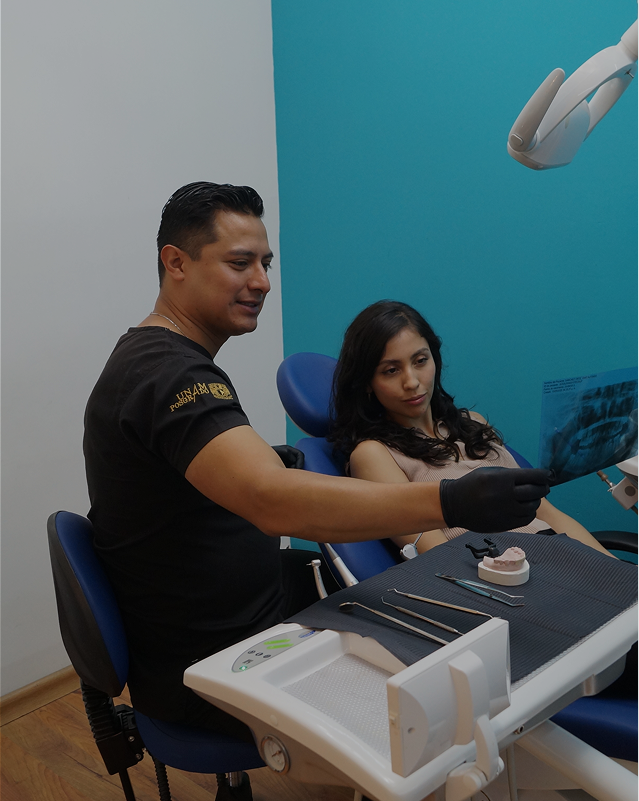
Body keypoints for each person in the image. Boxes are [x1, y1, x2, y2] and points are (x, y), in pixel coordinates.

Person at [84, 183, 551, 739]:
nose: (261, 281)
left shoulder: (157, 359)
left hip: (243, 608)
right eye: (240, 263)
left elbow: (231, 473)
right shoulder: (169, 375)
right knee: (432, 719)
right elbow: (269, 500)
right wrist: (450, 499)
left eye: (265, 263)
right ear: (176, 262)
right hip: (215, 656)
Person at [329, 300, 614, 557]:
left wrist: (617, 571)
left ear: (435, 359)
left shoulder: (473, 423)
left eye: (420, 361)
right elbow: (436, 556)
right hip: (505, 576)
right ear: (367, 382)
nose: (412, 381)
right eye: (391, 370)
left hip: (559, 554)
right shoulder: (373, 455)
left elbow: (549, 514)